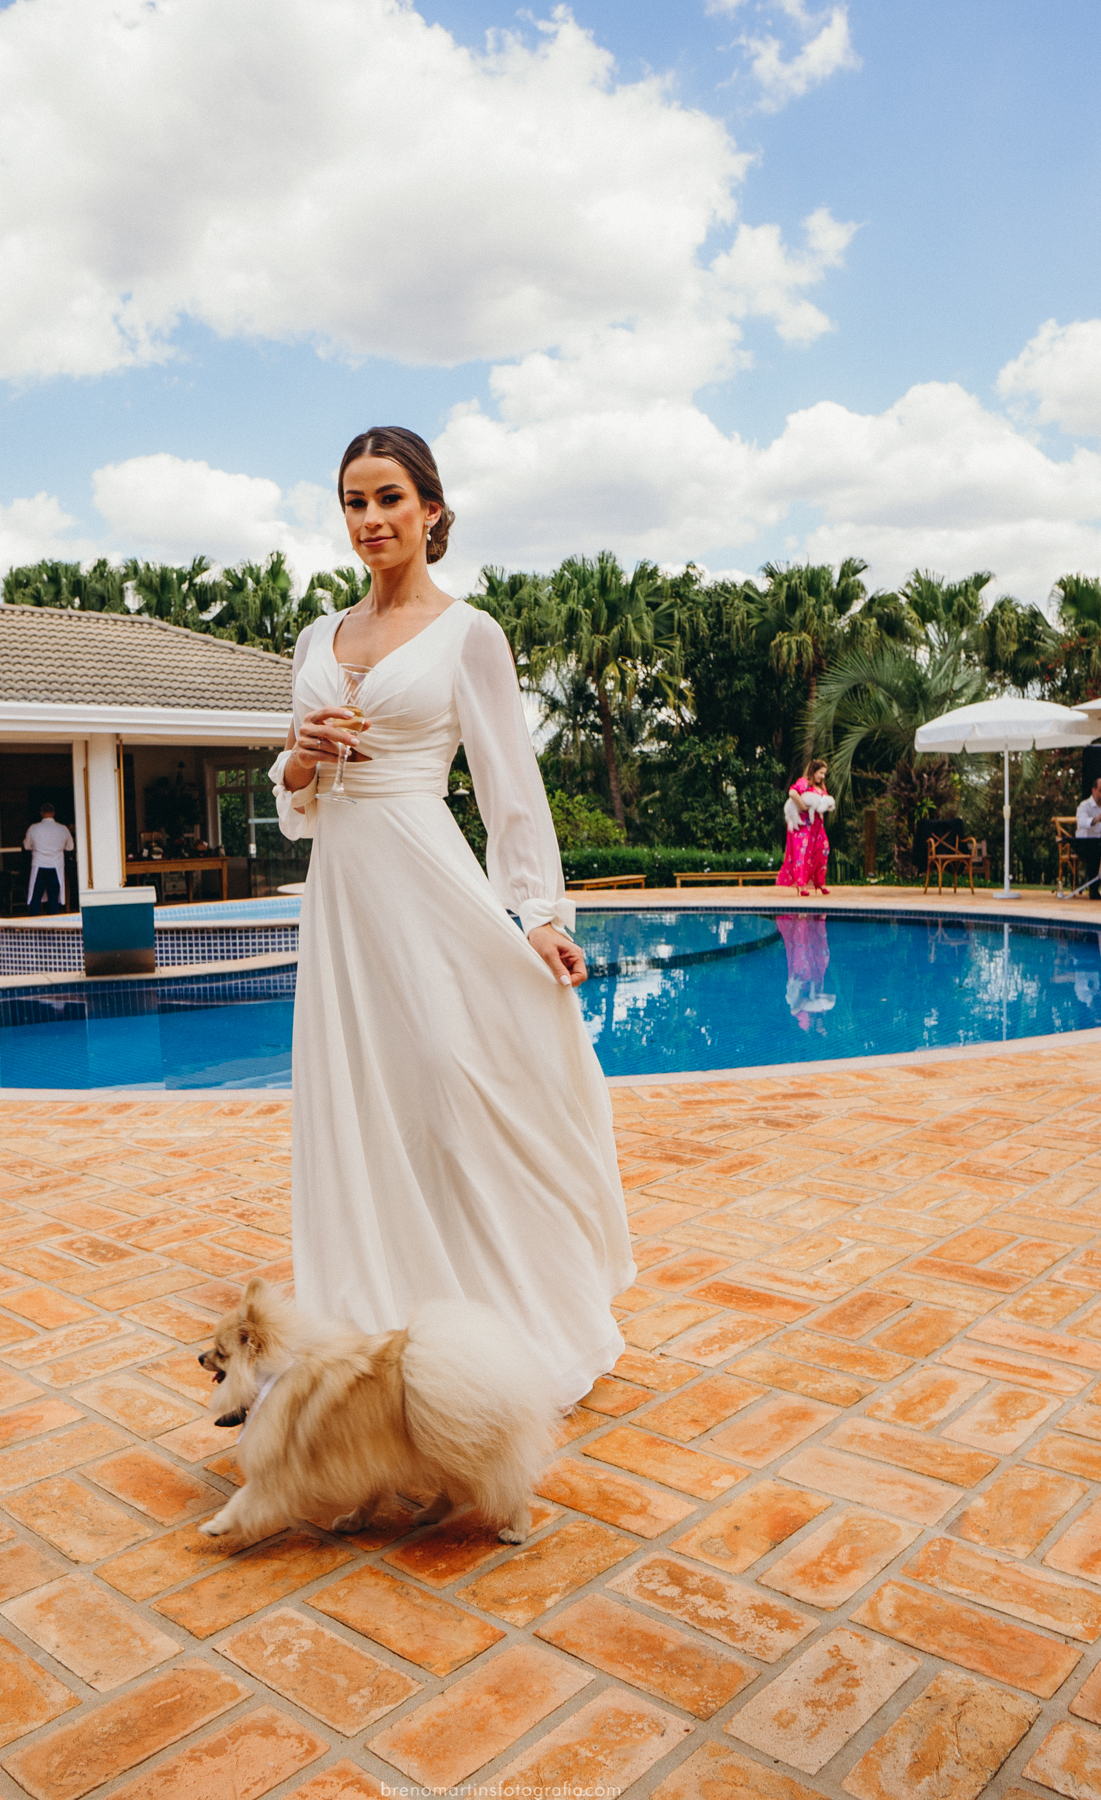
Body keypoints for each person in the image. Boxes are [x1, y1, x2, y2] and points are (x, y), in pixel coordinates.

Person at [269, 426, 634, 1409]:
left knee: (450, 1080)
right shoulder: (316, 637)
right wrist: (300, 759)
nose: (370, 519)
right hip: (343, 893)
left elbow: (510, 783)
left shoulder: (470, 633)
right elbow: (298, 799)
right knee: (356, 1096)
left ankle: (516, 1312)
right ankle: (379, 1325)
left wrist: (539, 911)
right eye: (354, 502)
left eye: (389, 498)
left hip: (425, 870)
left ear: (430, 509)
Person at [776, 760, 834, 896]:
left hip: (817, 826)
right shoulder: (804, 782)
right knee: (801, 853)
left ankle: (820, 882)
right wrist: (803, 806)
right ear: (813, 771)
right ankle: (801, 885)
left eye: (824, 774)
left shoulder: (822, 787)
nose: (822, 776)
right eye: (820, 773)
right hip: (803, 825)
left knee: (823, 850)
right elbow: (792, 793)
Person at [24, 804, 74, 915]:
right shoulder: (62, 829)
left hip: (39, 865)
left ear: (41, 813)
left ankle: (33, 922)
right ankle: (52, 922)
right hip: (55, 865)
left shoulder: (34, 828)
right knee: (53, 898)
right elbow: (70, 847)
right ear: (54, 813)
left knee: (36, 897)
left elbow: (27, 846)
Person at [1076, 777, 1101, 900]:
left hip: (1098, 844)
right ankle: (1093, 889)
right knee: (1095, 851)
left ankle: (1092, 882)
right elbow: (1082, 821)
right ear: (1093, 790)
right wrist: (1096, 819)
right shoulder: (1084, 806)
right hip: (1084, 845)